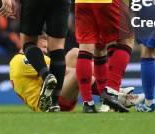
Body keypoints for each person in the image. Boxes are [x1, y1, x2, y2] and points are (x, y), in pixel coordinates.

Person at [9, 36, 144, 112]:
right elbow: (62, 72)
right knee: (79, 74)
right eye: (43, 48)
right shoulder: (23, 60)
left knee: (74, 53)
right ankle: (117, 94)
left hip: (57, 95)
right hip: (48, 104)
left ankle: (112, 89)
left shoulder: (25, 59)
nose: (45, 51)